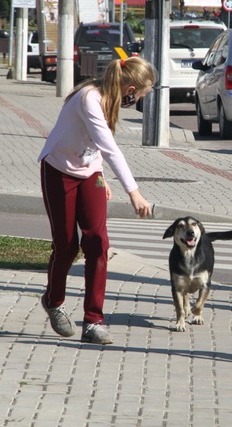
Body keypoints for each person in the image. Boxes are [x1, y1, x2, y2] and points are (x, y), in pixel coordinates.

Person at [38, 57, 156, 344]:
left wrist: (99, 176)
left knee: (97, 244)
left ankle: (93, 321)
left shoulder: (110, 99)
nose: (138, 99)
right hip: (58, 170)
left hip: (89, 173)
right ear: (129, 87)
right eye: (140, 94)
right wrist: (134, 192)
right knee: (66, 245)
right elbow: (109, 147)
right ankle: (54, 301)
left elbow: (95, 146)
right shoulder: (89, 98)